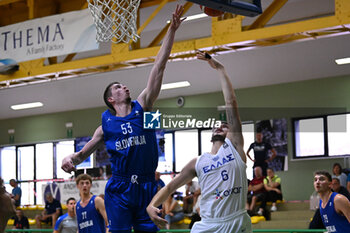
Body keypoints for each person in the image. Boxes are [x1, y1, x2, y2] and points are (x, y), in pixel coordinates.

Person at [61, 5, 184, 233]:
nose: (124, 87)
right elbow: (82, 154)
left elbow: (159, 67)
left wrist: (172, 31)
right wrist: (70, 160)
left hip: (148, 186)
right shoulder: (105, 126)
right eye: (118, 87)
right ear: (110, 98)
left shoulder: (144, 108)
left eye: (123, 85)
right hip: (120, 186)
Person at [146, 52, 252, 232]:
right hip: (208, 225)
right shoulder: (198, 162)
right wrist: (152, 205)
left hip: (235, 221)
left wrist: (220, 68)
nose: (220, 126)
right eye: (217, 126)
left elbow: (230, 101)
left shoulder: (234, 148)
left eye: (225, 126)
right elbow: (171, 185)